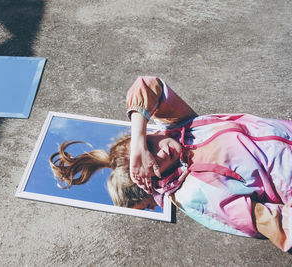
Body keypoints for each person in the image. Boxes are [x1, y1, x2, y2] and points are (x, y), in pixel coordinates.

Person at [50, 76, 292, 252]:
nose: (162, 152)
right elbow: (267, 221)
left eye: (151, 146)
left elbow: (146, 84)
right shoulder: (193, 192)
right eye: (155, 164)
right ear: (154, 182)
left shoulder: (178, 127)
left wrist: (138, 144)